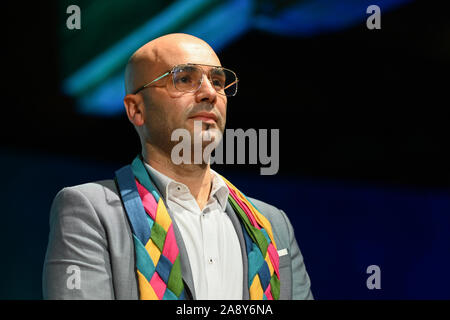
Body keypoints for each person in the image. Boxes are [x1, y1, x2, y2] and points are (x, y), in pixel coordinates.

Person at [43, 33, 313, 300]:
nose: (209, 93)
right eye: (184, 79)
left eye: (217, 82)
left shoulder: (272, 224)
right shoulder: (91, 211)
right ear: (136, 109)